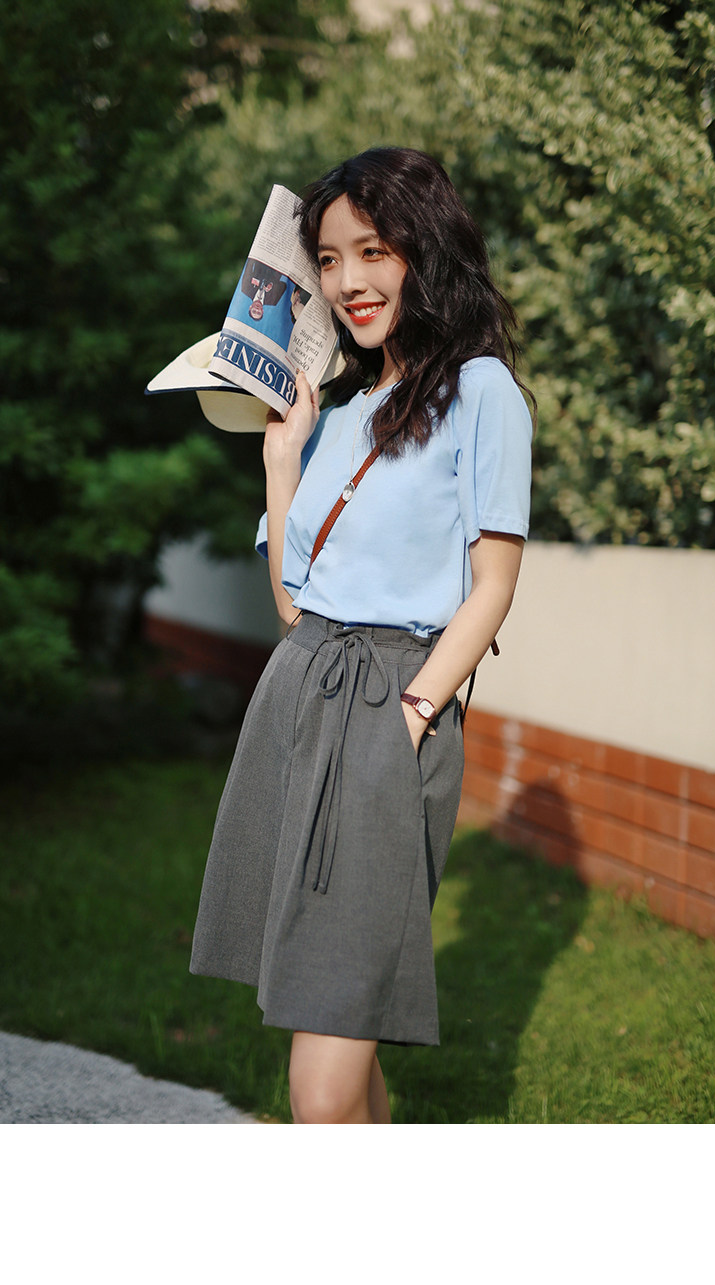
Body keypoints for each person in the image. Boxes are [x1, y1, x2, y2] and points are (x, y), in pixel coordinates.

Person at [189, 147, 534, 1124]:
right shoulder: (341, 415)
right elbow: (293, 603)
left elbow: (494, 586)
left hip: (392, 700)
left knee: (326, 1044)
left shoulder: (481, 392)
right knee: (325, 1002)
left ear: (426, 250)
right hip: (300, 688)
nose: (347, 280)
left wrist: (412, 715)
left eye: (372, 251)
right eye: (330, 259)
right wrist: (282, 461)